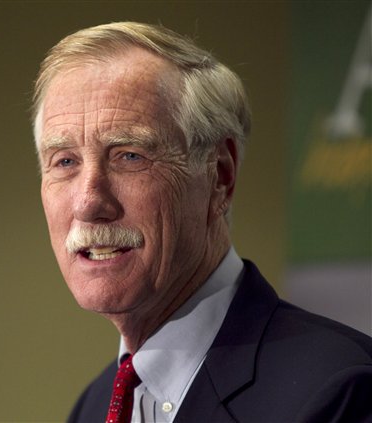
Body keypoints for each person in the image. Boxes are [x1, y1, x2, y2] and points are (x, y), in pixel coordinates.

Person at [32, 22, 372, 423]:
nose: (89, 202)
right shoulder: (92, 407)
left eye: (129, 156)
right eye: (65, 162)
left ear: (219, 175)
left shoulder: (341, 391)